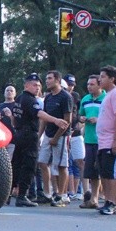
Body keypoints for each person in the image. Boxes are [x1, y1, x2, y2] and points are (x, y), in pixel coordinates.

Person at [10, 73, 68, 207]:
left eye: (39, 85)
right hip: (28, 135)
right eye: (34, 85)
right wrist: (56, 120)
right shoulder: (30, 100)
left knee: (17, 164)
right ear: (26, 85)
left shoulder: (19, 98)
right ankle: (22, 196)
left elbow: (13, 116)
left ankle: (9, 194)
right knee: (29, 165)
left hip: (19, 133)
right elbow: (39, 113)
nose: (37, 88)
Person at [95, 65, 116, 216]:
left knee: (112, 172)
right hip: (103, 140)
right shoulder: (108, 94)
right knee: (104, 172)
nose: (99, 79)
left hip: (113, 140)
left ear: (112, 79)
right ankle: (108, 201)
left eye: (102, 77)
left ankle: (114, 203)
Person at [37, 70, 74, 207]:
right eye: (46, 78)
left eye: (50, 78)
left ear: (57, 80)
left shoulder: (65, 97)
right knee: (42, 162)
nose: (47, 81)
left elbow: (67, 120)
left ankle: (62, 195)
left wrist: (56, 137)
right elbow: (44, 119)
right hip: (48, 133)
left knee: (61, 164)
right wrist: (39, 136)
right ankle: (48, 193)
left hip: (62, 135)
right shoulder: (48, 97)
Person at [78, 74, 106, 209]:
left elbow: (112, 117)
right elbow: (80, 114)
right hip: (89, 139)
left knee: (103, 169)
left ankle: (106, 198)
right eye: (88, 84)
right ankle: (93, 198)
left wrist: (98, 120)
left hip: (103, 140)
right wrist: (82, 118)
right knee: (91, 170)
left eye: (92, 84)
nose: (89, 87)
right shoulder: (85, 99)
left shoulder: (106, 98)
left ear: (100, 85)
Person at [63, 73, 85, 200]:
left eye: (72, 85)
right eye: (68, 84)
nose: (70, 87)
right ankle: (69, 191)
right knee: (67, 164)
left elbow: (80, 114)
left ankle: (82, 190)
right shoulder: (59, 96)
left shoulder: (75, 96)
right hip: (64, 133)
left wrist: (80, 124)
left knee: (80, 161)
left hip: (75, 134)